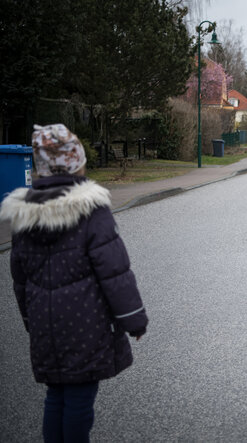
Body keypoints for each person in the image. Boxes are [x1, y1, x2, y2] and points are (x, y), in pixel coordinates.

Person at [0, 124, 148, 443]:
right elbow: (114, 272)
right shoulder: (92, 211)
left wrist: (31, 320)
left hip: (45, 325)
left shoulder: (24, 217)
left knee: (56, 396)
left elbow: (20, 279)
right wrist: (134, 320)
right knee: (80, 399)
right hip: (86, 324)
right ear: (77, 161)